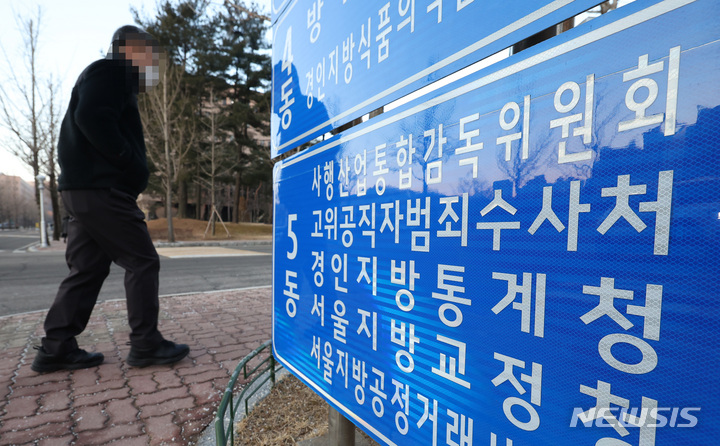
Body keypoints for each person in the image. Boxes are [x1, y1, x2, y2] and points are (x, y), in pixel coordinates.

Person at [31, 25, 189, 373]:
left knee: (87, 269)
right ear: (130, 49)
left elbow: (87, 117)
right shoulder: (113, 70)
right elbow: (90, 117)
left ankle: (56, 347)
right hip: (101, 189)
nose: (153, 64)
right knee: (142, 260)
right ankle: (146, 344)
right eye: (150, 55)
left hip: (82, 191)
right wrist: (127, 160)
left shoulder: (105, 76)